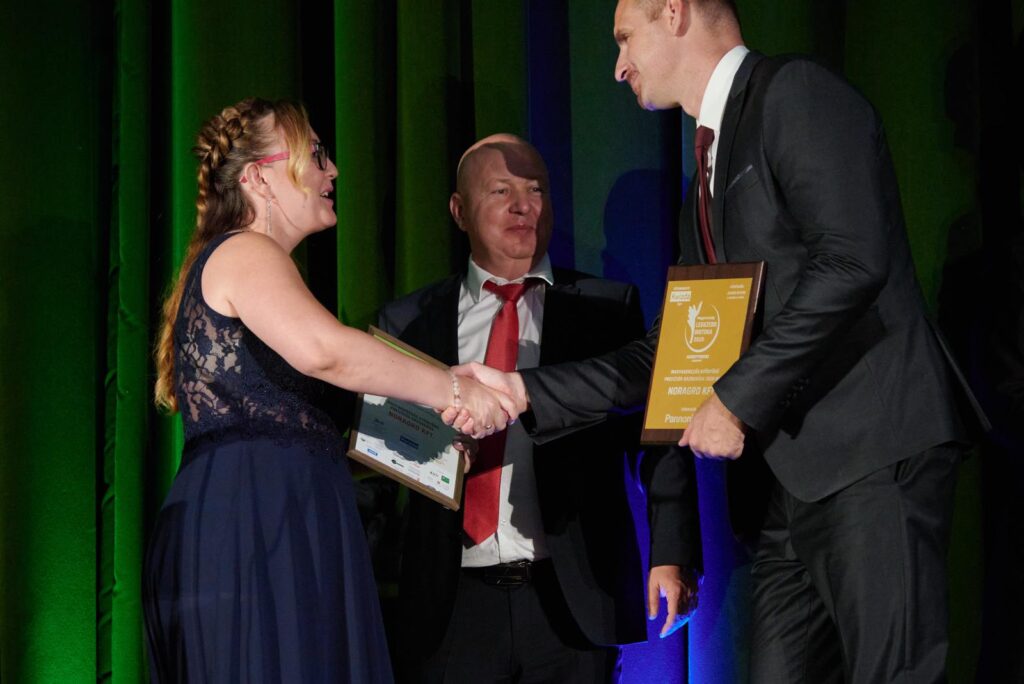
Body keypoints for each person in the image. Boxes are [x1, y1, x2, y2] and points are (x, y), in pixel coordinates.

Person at [453, 1, 984, 681]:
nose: (617, 66)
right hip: (788, 491)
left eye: (625, 38)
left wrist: (734, 400)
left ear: (674, 12)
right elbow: (674, 352)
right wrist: (523, 389)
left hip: (871, 455)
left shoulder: (794, 95)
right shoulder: (702, 180)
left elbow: (853, 260)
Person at [142, 98, 516, 683]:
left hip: (281, 517)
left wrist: (433, 442)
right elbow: (327, 351)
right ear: (258, 177)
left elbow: (303, 427)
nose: (332, 169)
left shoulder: (257, 265)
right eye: (315, 154)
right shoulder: (245, 251)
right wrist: (453, 389)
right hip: (255, 525)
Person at [379, 134, 700, 683]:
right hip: (449, 608)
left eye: (536, 190)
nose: (522, 206)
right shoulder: (408, 322)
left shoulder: (606, 310)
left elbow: (658, 437)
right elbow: (383, 461)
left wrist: (673, 551)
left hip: (571, 600)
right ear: (459, 211)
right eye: (500, 191)